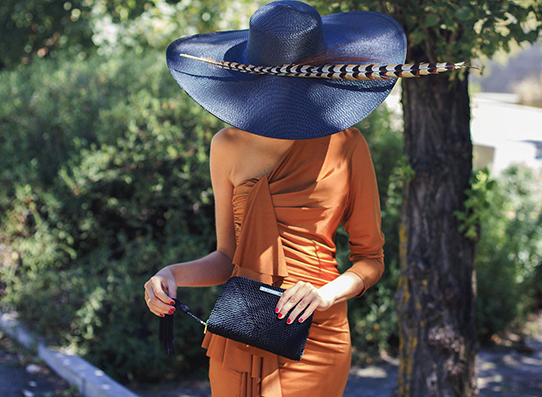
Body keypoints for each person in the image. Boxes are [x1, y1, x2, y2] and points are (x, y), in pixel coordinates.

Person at [144, 1, 406, 395]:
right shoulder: (227, 146)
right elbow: (226, 257)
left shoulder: (348, 145)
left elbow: (371, 259)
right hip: (242, 329)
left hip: (316, 340)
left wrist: (325, 294)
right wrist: (172, 275)